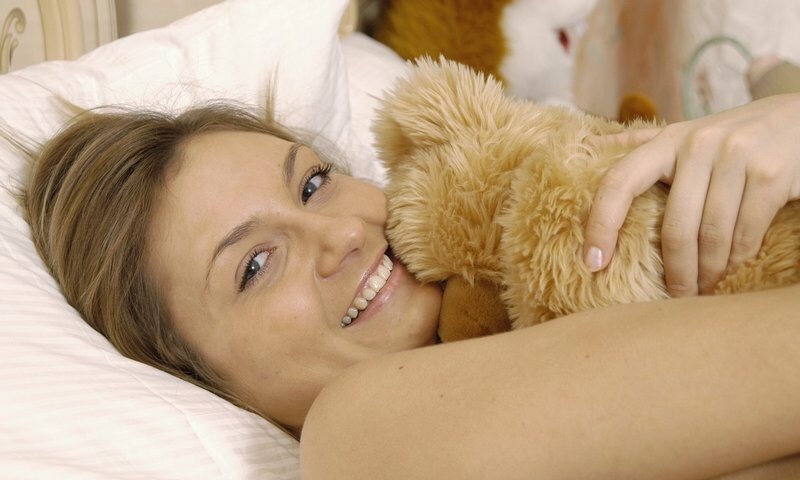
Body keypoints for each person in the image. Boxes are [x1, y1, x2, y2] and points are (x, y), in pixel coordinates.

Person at [19, 90, 800, 479]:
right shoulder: (363, 435)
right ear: (199, 377)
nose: (341, 235)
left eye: (314, 183)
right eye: (255, 265)